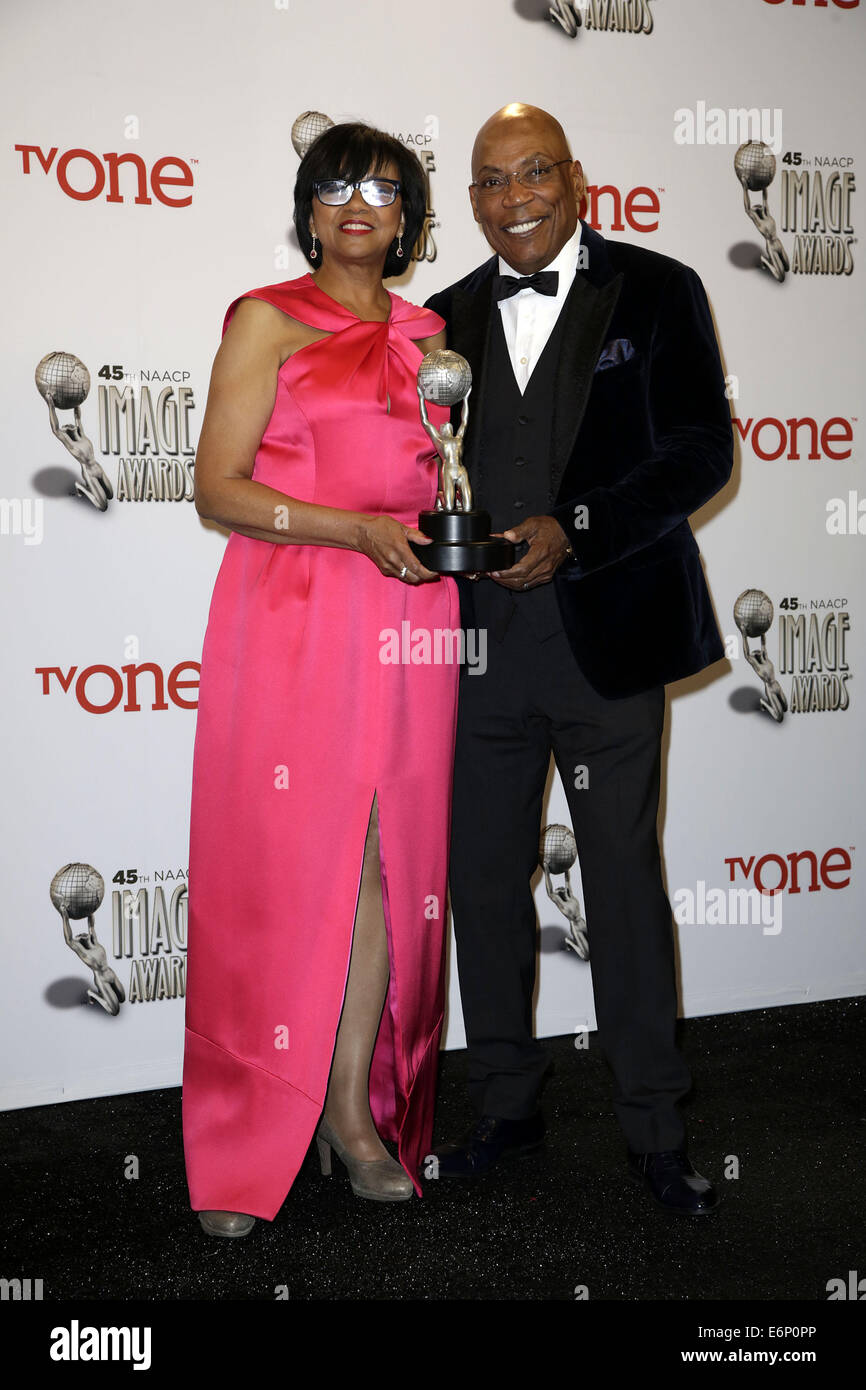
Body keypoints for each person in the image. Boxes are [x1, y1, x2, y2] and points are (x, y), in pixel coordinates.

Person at [424, 104, 733, 1215]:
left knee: (619, 883)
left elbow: (701, 449)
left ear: (577, 180)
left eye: (536, 172)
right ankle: (506, 1103)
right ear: (470, 201)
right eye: (493, 181)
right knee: (484, 887)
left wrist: (580, 528)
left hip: (608, 644)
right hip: (473, 657)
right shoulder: (440, 320)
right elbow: (423, 477)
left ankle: (653, 1125)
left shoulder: (656, 289)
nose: (516, 198)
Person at [181, 123, 460, 1237]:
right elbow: (217, 490)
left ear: (406, 221)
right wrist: (349, 528)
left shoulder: (435, 336)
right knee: (282, 868)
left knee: (389, 871)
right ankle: (248, 1130)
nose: (359, 204)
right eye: (335, 186)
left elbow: (448, 478)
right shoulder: (265, 317)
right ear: (307, 208)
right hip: (294, 607)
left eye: (384, 190)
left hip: (413, 615)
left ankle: (351, 1114)